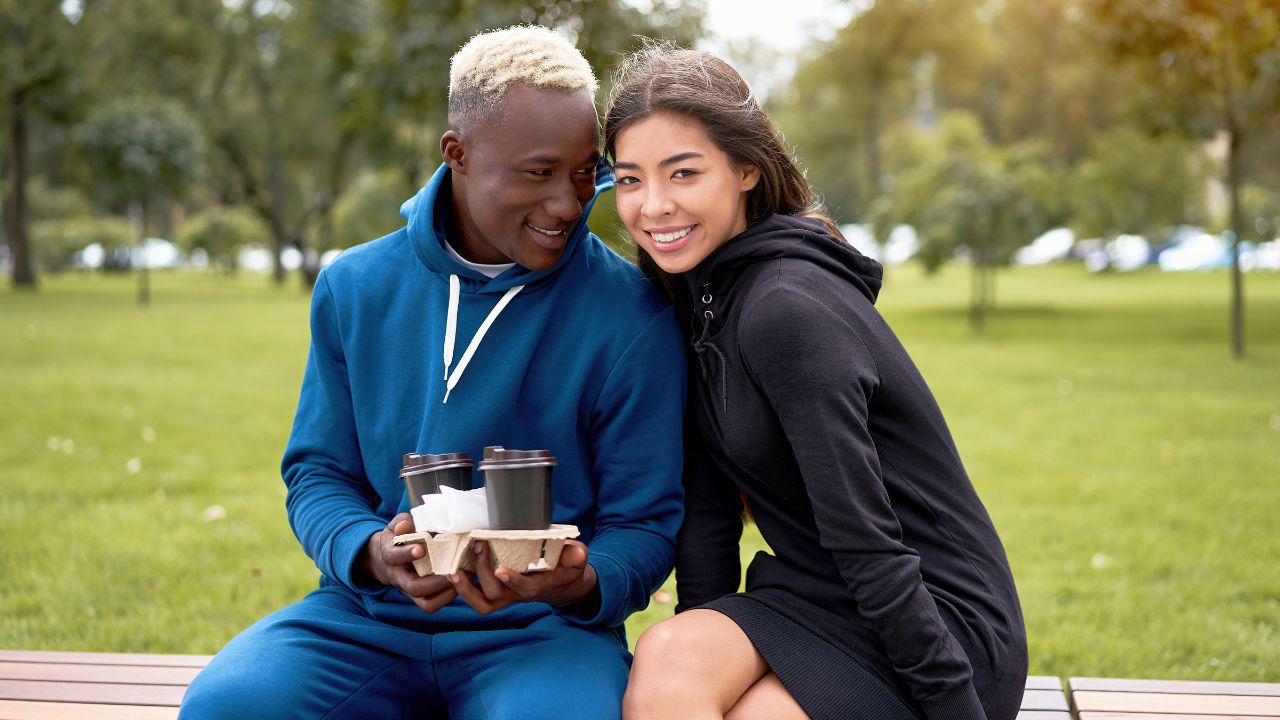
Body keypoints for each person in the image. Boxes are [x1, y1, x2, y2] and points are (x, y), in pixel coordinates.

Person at [180, 26, 686, 720]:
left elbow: (647, 523)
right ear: (458, 154)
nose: (569, 204)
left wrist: (576, 582)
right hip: (367, 617)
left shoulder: (632, 314)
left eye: (582, 173)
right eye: (538, 173)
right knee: (226, 708)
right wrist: (370, 552)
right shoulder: (354, 287)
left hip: (542, 634)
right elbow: (317, 474)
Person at [605, 44, 1028, 720]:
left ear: (747, 169)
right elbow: (709, 514)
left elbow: (867, 539)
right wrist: (702, 642)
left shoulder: (786, 310)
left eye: (682, 173)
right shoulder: (695, 297)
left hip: (934, 620)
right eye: (629, 179)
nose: (652, 206)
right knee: (666, 655)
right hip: (807, 596)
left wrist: (956, 708)